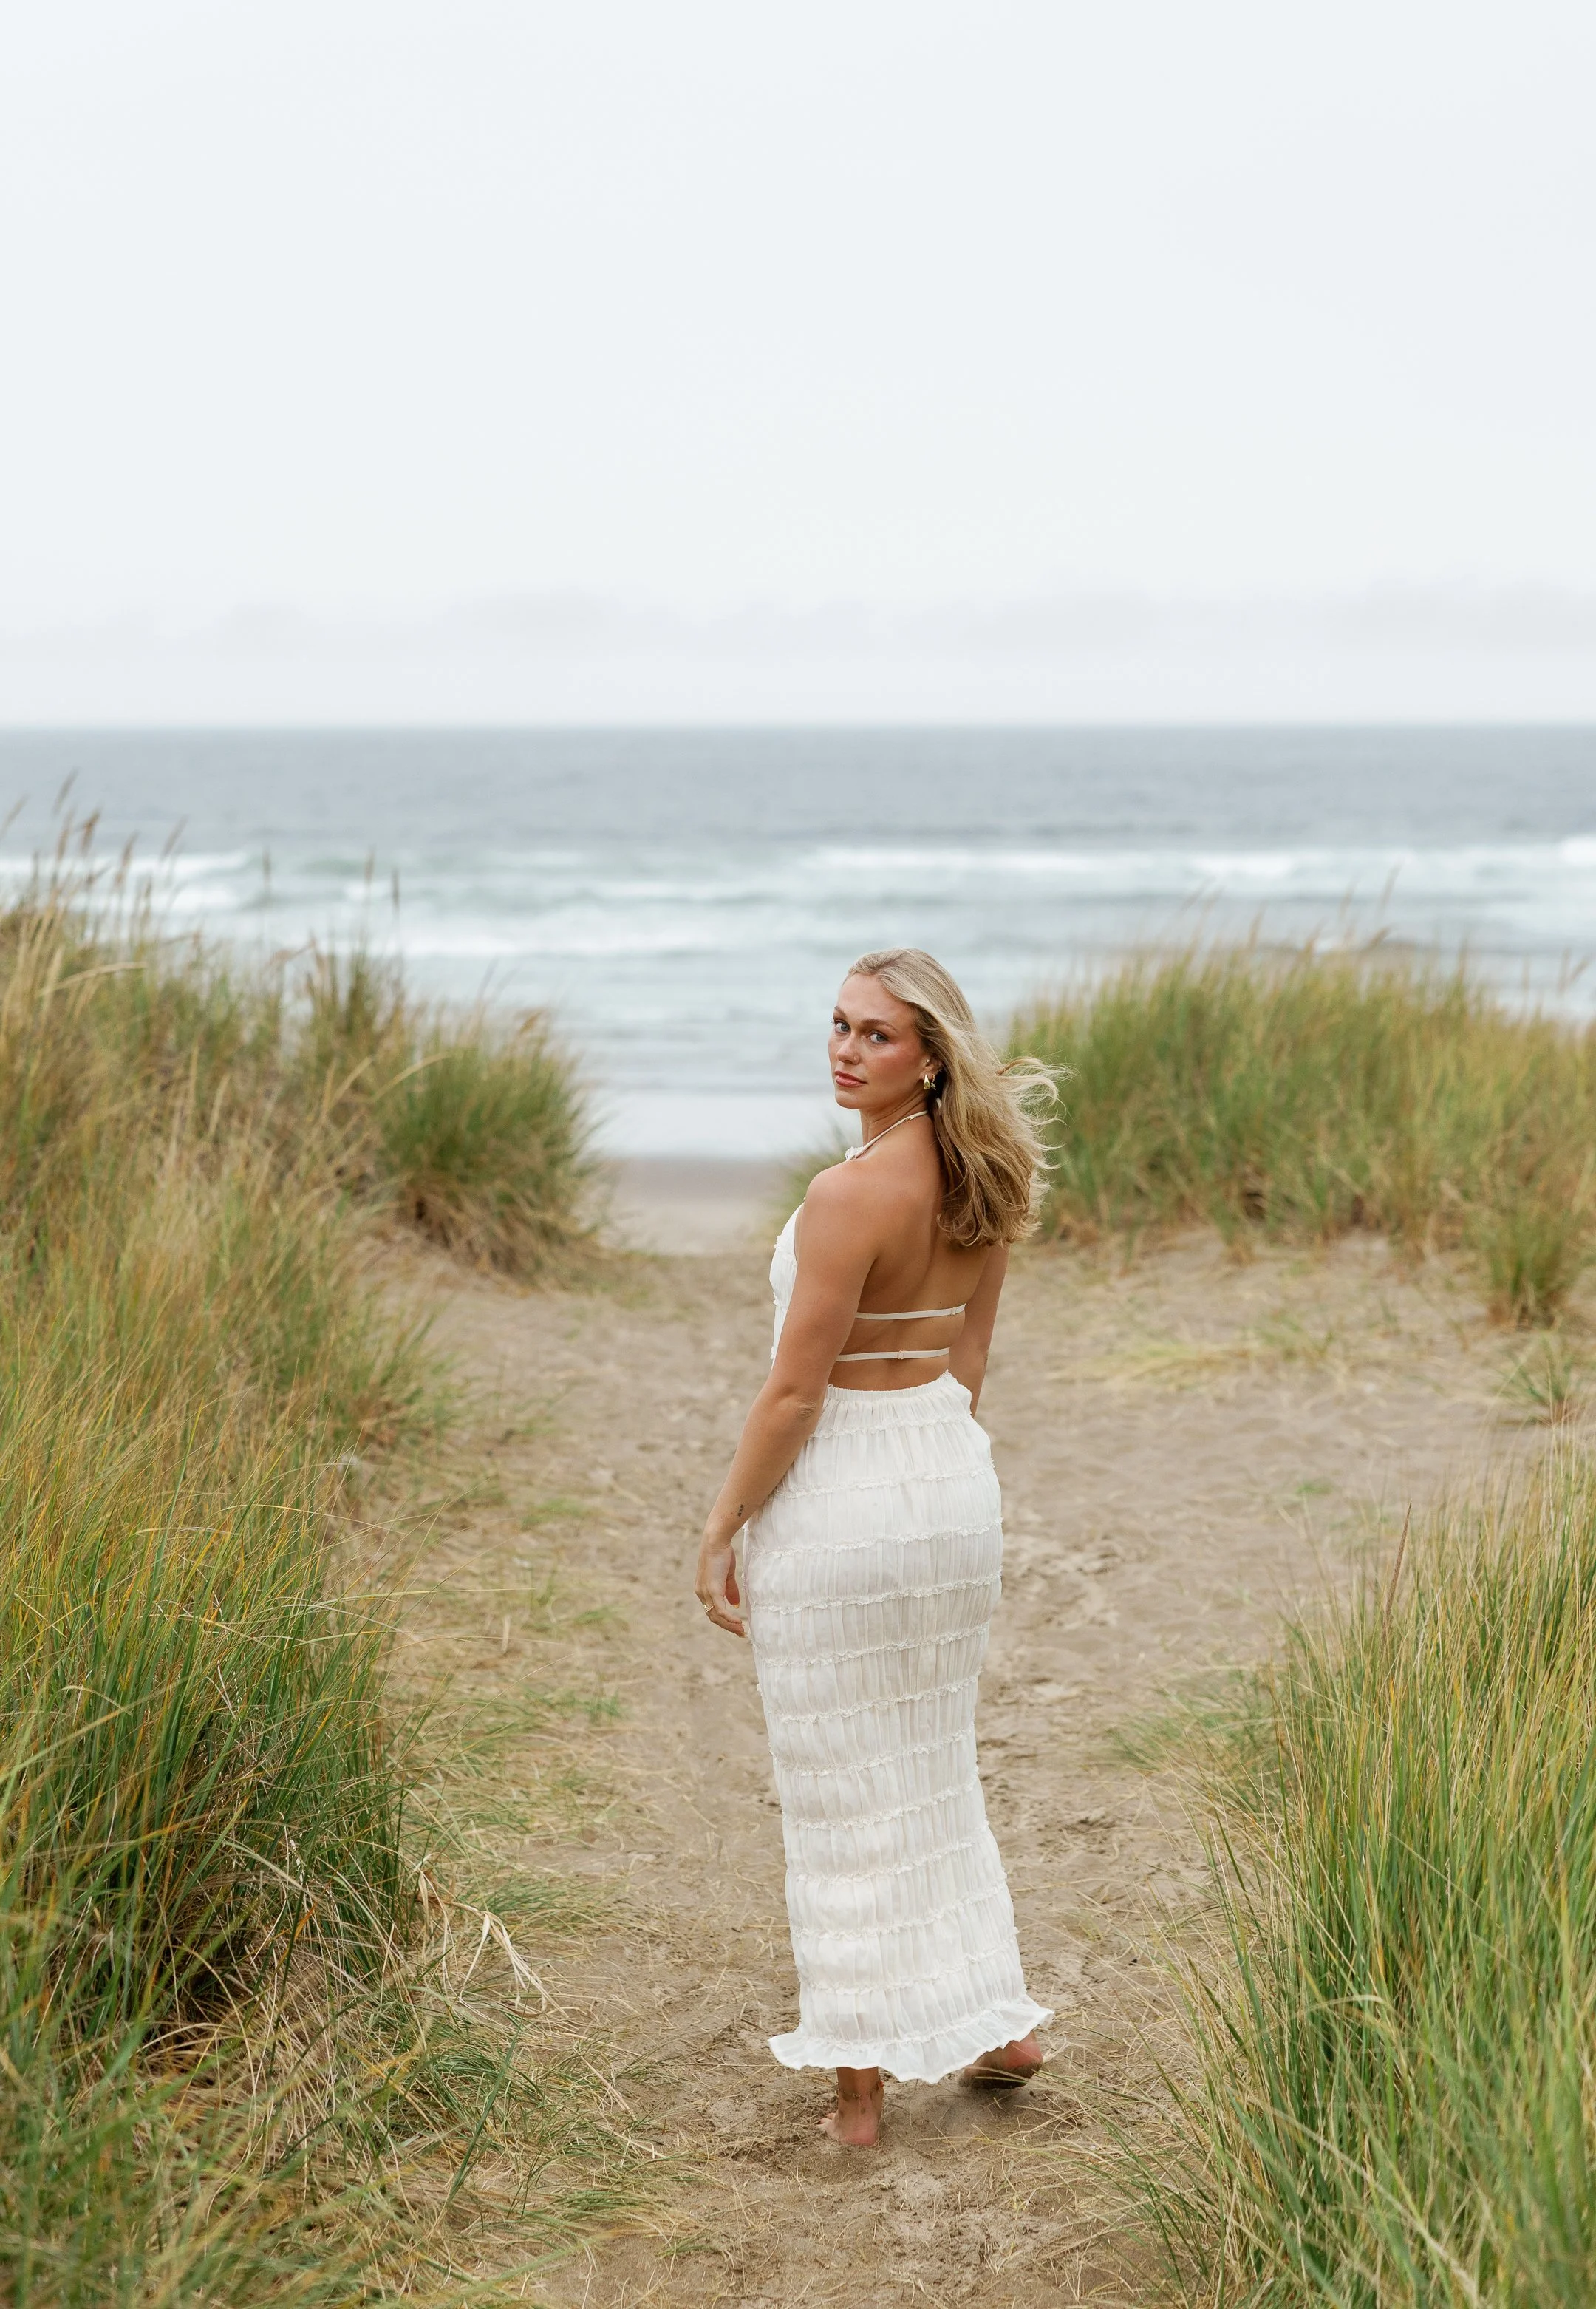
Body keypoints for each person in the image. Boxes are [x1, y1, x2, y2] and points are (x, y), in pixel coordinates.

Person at [695, 946, 1056, 2149]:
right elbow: (968, 1362)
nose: (845, 1050)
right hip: (948, 1484)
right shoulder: (984, 1177)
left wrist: (723, 1522)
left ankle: (858, 2099)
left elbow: (794, 1397)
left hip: (845, 1495)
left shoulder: (843, 1198)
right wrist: (934, 1476)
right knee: (933, 1762)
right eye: (839, 1026)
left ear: (931, 1058)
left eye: (876, 1035)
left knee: (840, 1784)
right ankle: (999, 2025)